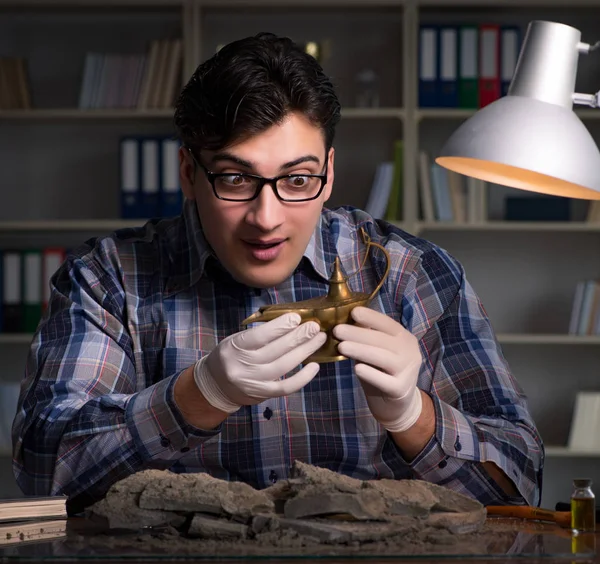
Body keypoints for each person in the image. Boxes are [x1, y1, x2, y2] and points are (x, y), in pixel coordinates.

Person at [12, 32, 543, 514]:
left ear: (330, 173)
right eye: (236, 179)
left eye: (297, 179)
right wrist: (197, 395)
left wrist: (413, 417)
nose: (266, 218)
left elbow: (521, 482)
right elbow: (40, 471)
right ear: (189, 174)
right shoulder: (107, 277)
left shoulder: (413, 274)